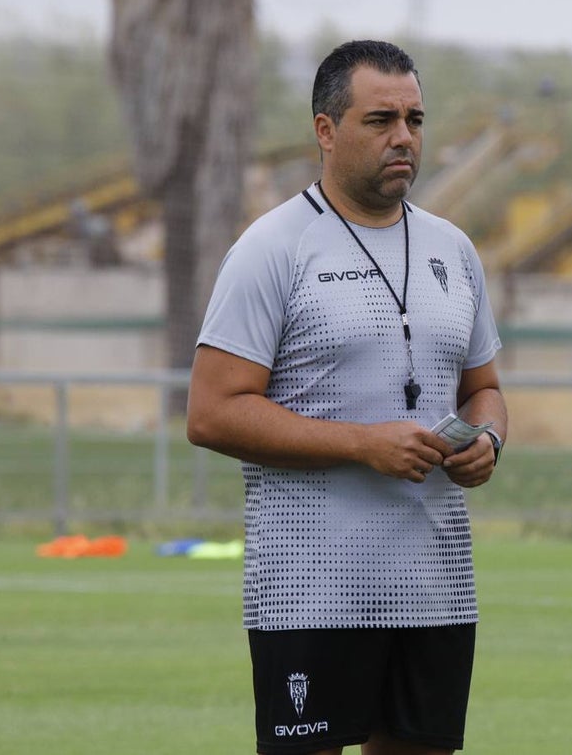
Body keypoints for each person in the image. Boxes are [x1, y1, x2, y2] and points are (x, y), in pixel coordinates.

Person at [186, 39, 507, 755]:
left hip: (435, 585)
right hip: (311, 587)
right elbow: (211, 413)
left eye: (416, 120)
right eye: (380, 119)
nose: (404, 137)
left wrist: (488, 441)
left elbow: (483, 388)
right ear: (326, 131)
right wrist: (364, 444)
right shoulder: (273, 249)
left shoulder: (452, 250)